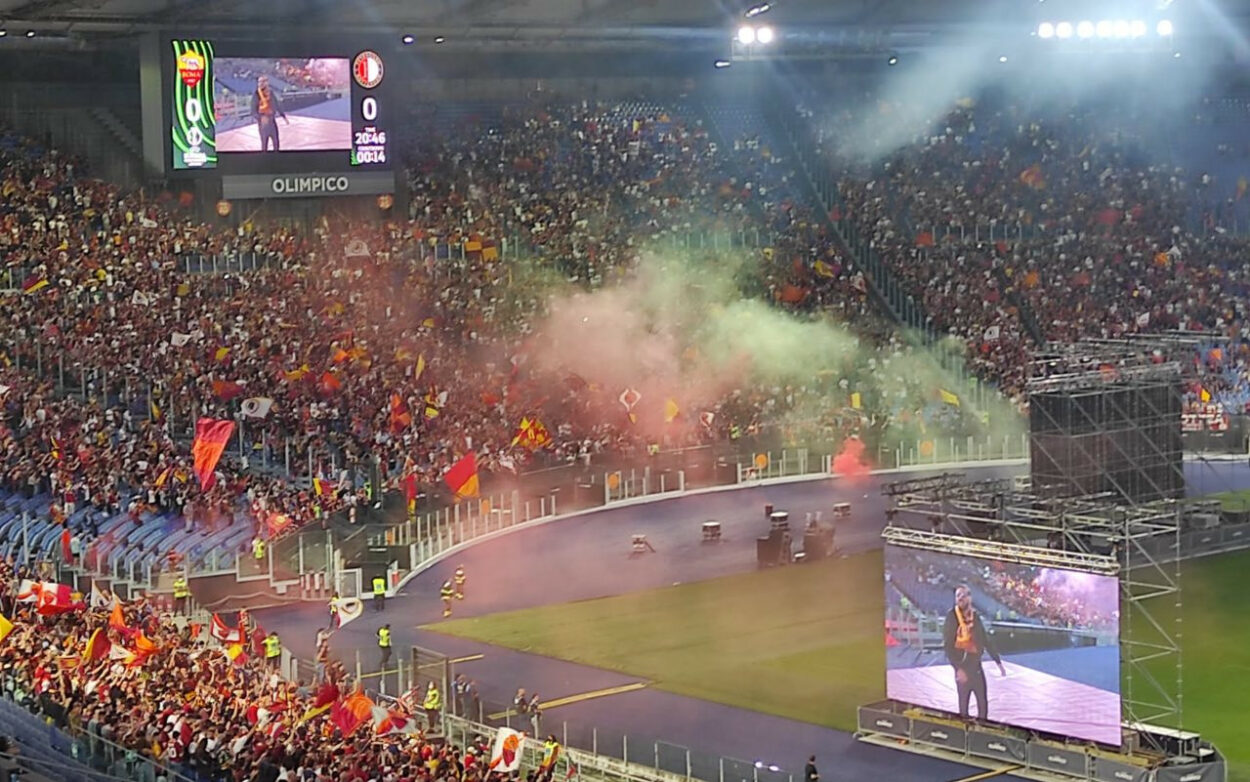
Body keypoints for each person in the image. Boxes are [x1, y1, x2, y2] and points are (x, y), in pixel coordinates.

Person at [942, 584, 1005, 721]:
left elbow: (985, 639)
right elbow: (947, 645)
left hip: (976, 667)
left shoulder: (975, 617)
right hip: (962, 667)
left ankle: (983, 730)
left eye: (963, 595)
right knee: (963, 706)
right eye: (958, 596)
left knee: (982, 703)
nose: (960, 598)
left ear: (970, 598)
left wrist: (998, 661)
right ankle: (965, 735)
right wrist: (958, 669)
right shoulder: (951, 617)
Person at [251, 75, 288, 152]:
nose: (261, 83)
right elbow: (253, 111)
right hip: (263, 124)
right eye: (259, 82)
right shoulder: (256, 94)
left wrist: (283, 116)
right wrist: (260, 118)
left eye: (263, 81)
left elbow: (277, 105)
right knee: (264, 144)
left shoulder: (271, 93)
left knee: (276, 143)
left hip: (272, 121)